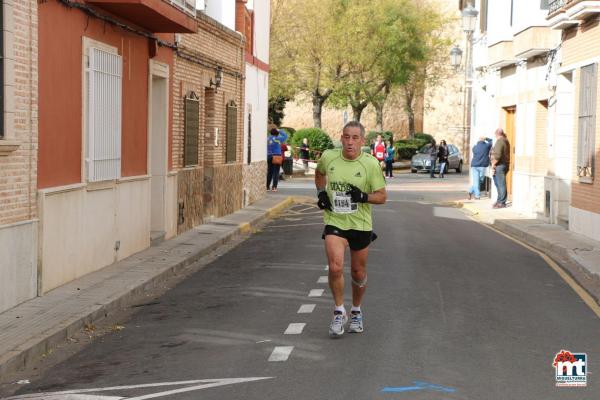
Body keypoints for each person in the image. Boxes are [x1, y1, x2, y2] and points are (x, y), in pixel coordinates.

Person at [315, 121, 387, 338]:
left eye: (355, 138)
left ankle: (356, 310)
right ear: (341, 138)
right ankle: (339, 311)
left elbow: (382, 196)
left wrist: (363, 197)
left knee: (358, 272)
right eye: (346, 137)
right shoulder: (329, 157)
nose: (349, 142)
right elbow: (319, 174)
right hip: (335, 221)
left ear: (362, 142)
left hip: (360, 224)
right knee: (335, 267)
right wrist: (321, 194)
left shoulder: (370, 164)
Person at [491, 128, 511, 208]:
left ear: (496, 134)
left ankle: (502, 202)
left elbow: (498, 155)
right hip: (503, 164)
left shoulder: (500, 141)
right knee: (498, 183)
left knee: (501, 184)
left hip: (500, 165)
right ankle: (499, 200)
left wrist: (493, 164)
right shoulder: (505, 140)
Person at [266, 127, 288, 191]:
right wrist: (280, 130)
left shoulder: (267, 138)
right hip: (277, 156)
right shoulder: (277, 139)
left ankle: (267, 186)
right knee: (276, 172)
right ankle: (274, 187)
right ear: (276, 133)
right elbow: (285, 136)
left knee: (270, 172)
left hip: (269, 156)